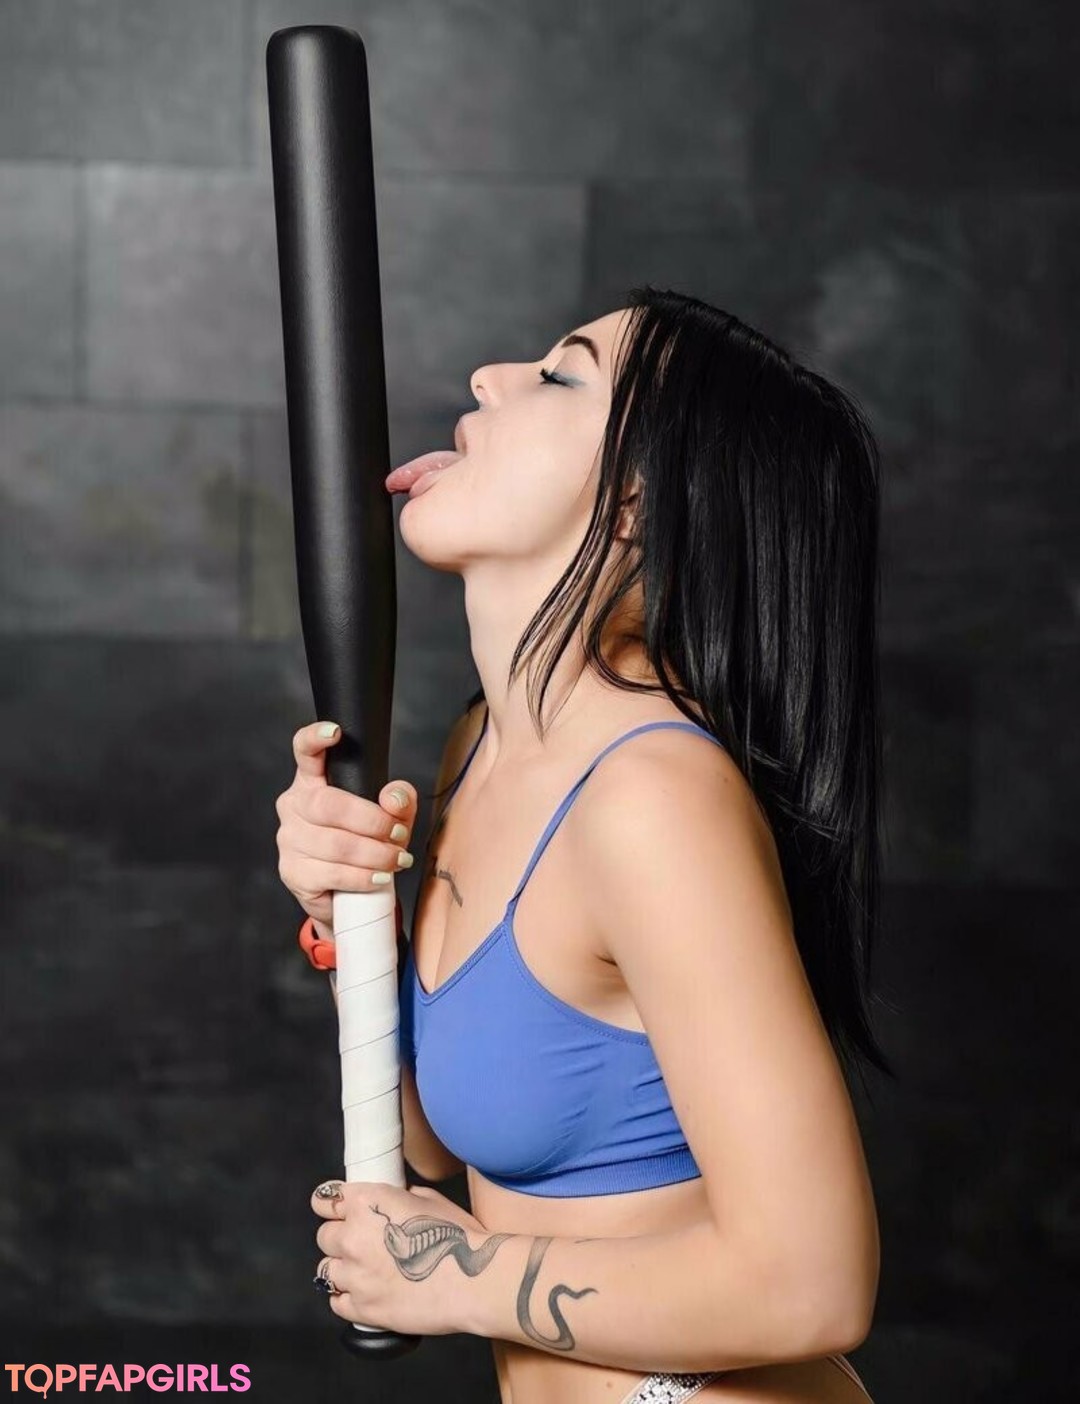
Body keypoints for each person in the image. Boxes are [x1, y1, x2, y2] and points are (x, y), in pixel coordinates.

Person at [281, 287, 888, 1402]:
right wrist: (345, 921)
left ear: (636, 506)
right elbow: (440, 1145)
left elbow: (812, 1286)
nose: (488, 378)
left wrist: (455, 1282)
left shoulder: (650, 797)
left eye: (560, 376)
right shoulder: (483, 748)